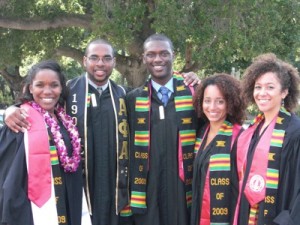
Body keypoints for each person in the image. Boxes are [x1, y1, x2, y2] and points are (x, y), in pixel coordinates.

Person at [4, 38, 199, 225]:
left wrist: (191, 78)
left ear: (114, 62)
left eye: (106, 58)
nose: (100, 63)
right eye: (94, 58)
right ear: (84, 60)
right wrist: (14, 109)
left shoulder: (125, 95)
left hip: (116, 190)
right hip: (80, 186)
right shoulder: (69, 91)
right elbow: (42, 100)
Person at [0, 60, 91, 225]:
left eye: (54, 85)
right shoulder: (21, 121)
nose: (47, 91)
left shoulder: (66, 121)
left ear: (61, 88)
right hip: (32, 211)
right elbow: (9, 175)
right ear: (30, 88)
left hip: (68, 203)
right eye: (40, 85)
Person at [126, 33, 198, 225]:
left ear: (173, 55)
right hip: (149, 188)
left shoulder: (194, 94)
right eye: (151, 54)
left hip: (183, 187)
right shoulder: (133, 99)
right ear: (143, 58)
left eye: (164, 53)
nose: (158, 59)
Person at [231, 53, 300, 224]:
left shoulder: (295, 131)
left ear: (284, 92)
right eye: (258, 87)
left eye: (270, 87)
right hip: (250, 214)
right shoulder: (254, 130)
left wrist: (287, 220)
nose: (262, 93)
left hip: (279, 215)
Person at [190, 73, 245, 225]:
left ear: (230, 103)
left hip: (227, 216)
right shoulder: (202, 133)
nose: (212, 107)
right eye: (207, 101)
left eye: (220, 101)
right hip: (198, 212)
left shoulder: (240, 137)